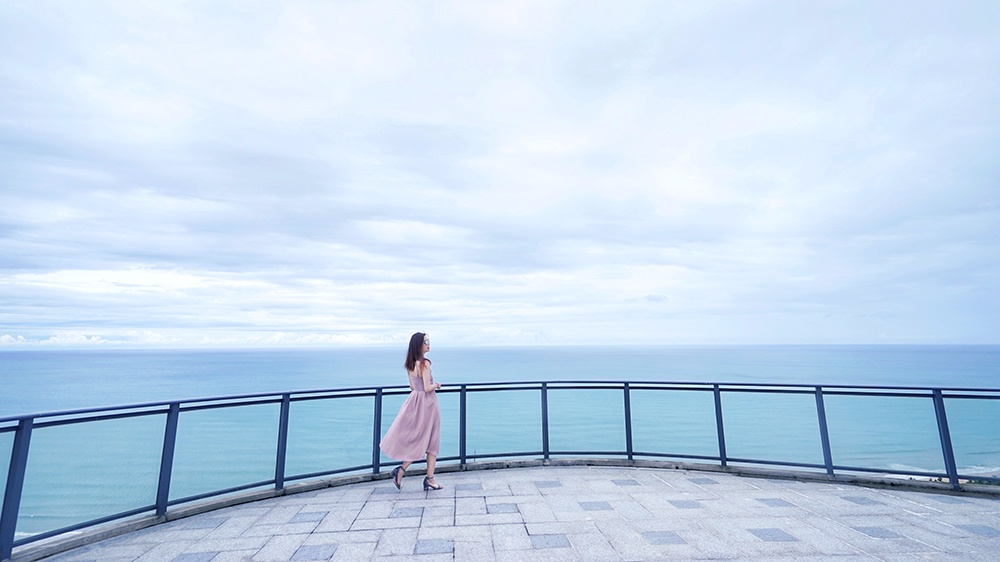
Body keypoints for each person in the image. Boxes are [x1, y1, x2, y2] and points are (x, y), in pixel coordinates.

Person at [379, 332, 444, 491]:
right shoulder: (425, 364)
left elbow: (412, 387)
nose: (428, 344)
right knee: (432, 441)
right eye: (425, 342)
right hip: (428, 404)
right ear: (419, 345)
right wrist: (436, 385)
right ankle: (429, 479)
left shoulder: (410, 364)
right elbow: (427, 388)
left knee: (419, 440)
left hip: (415, 402)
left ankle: (401, 471)